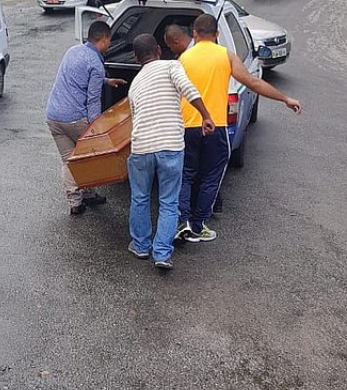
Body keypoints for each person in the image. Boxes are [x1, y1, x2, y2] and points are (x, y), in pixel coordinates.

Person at [175, 14, 302, 243]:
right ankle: (198, 225)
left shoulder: (183, 58)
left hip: (187, 127)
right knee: (211, 177)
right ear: (217, 34)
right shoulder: (226, 55)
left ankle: (182, 221)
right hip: (215, 127)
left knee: (185, 175)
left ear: (194, 33)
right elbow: (253, 82)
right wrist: (285, 98)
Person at [127, 33, 215, 270]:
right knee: (168, 201)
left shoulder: (135, 84)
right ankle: (162, 254)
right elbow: (188, 89)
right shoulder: (171, 66)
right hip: (170, 146)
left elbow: (135, 119)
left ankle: (140, 246)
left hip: (142, 147)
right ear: (158, 49)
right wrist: (206, 116)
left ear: (136, 58)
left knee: (140, 197)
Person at [46, 21, 126, 215]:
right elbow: (93, 100)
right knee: (89, 158)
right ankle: (89, 193)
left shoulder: (73, 51)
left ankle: (75, 202)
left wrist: (105, 81)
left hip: (53, 116)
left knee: (68, 160)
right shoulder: (96, 64)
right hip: (75, 118)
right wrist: (95, 127)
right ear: (104, 39)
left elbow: (77, 78)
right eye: (109, 40)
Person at [164, 24, 225, 215]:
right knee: (209, 173)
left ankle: (184, 217)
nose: (171, 51)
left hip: (190, 124)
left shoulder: (182, 61)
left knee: (188, 172)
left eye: (170, 47)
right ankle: (200, 219)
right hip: (213, 123)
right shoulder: (222, 54)